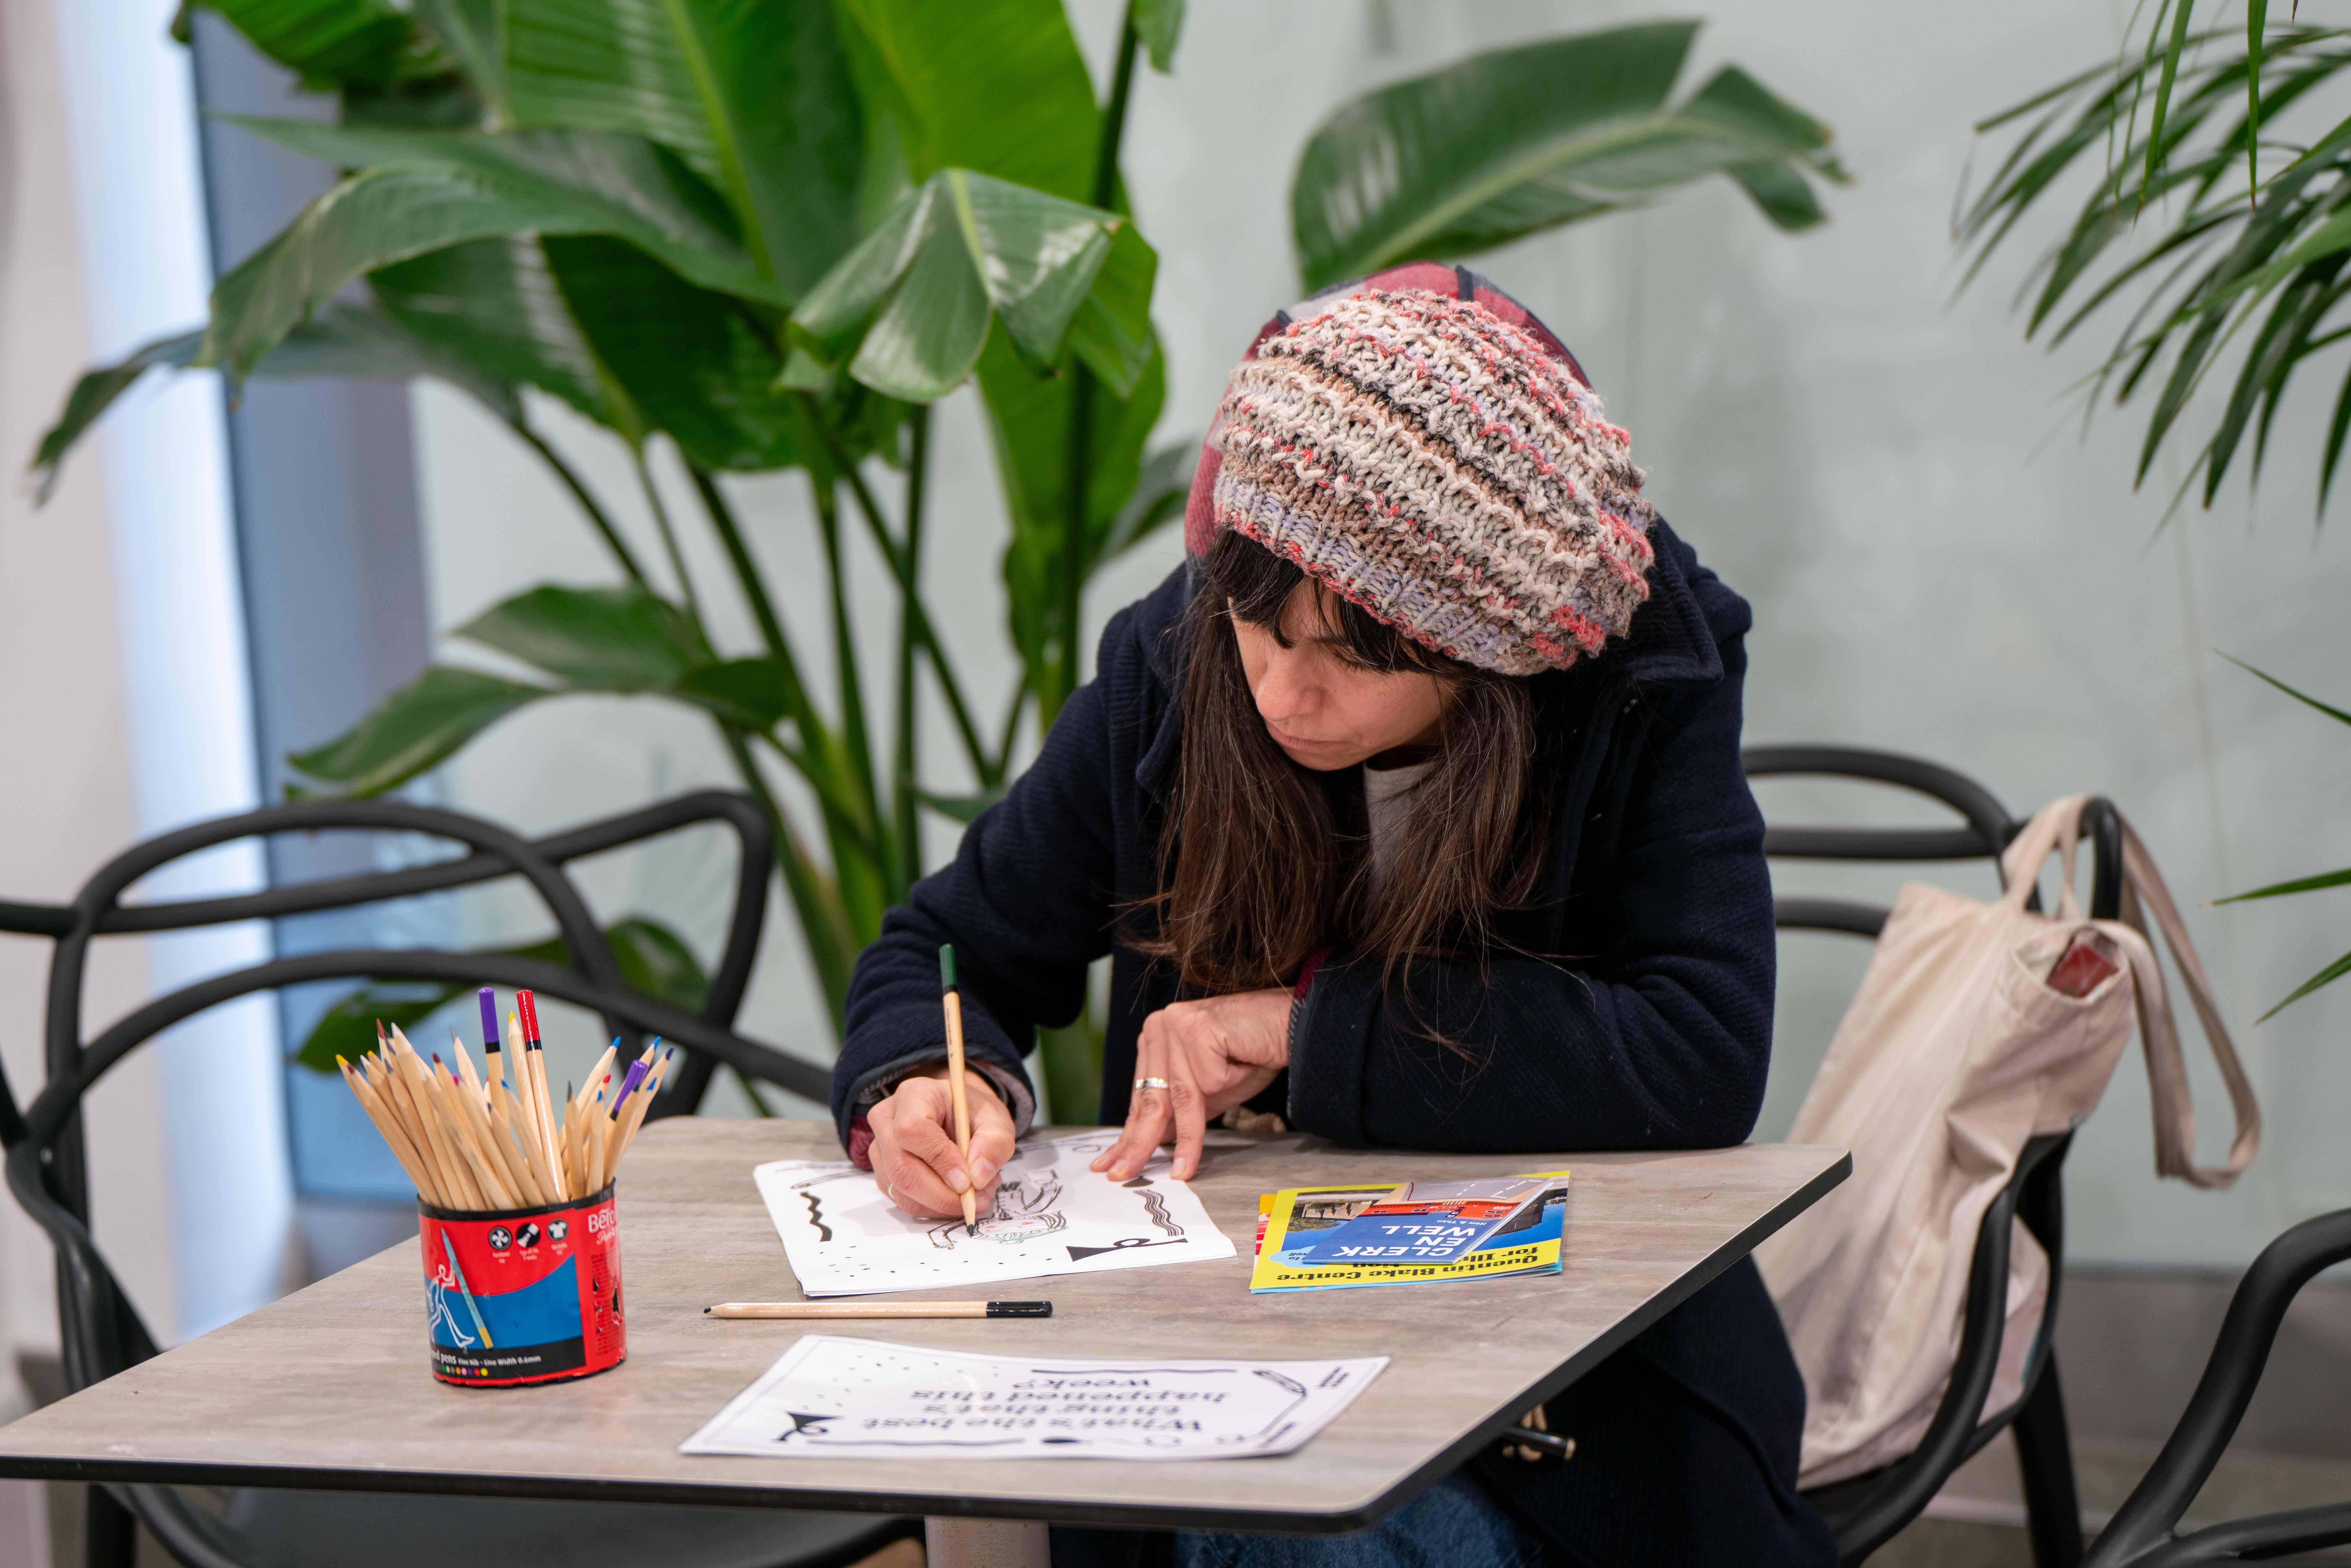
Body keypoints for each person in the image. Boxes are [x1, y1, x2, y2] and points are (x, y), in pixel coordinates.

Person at [828, 264, 1834, 1568]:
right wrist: (922, 1078)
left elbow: (1699, 1050)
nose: (1283, 696)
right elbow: (945, 947)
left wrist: (1308, 1030)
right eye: (1258, 627)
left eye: (1354, 656)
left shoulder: (1627, 685)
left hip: (1561, 1413)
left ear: (1478, 648)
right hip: (1216, 1373)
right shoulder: (1174, 664)